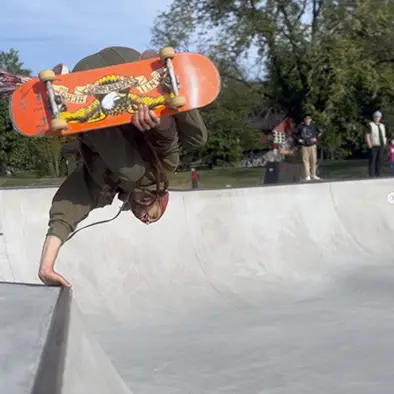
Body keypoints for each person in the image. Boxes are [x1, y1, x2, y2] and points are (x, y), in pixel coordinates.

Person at [37, 46, 208, 287]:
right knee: (197, 140)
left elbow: (64, 216)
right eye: (152, 216)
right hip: (125, 65)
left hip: (87, 80)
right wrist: (158, 118)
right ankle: (164, 80)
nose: (144, 218)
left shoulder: (102, 186)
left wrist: (46, 267)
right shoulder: (164, 169)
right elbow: (168, 141)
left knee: (130, 172)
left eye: (142, 219)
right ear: (160, 199)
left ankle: (69, 101)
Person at [292, 115, 321, 181]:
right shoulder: (300, 126)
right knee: (306, 161)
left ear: (310, 120)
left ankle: (313, 175)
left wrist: (316, 138)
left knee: (313, 160)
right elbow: (294, 134)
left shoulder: (314, 126)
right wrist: (299, 139)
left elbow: (320, 132)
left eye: (309, 119)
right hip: (304, 146)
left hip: (312, 145)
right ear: (304, 120)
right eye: (306, 119)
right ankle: (307, 175)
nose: (307, 120)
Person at [365, 111, 387, 177]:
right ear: (374, 117)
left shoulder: (382, 125)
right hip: (374, 145)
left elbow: (385, 135)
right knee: (373, 159)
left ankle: (378, 173)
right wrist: (369, 144)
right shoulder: (370, 125)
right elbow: (367, 135)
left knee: (380, 159)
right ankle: (371, 174)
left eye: (379, 117)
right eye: (376, 117)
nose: (377, 118)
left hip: (381, 145)